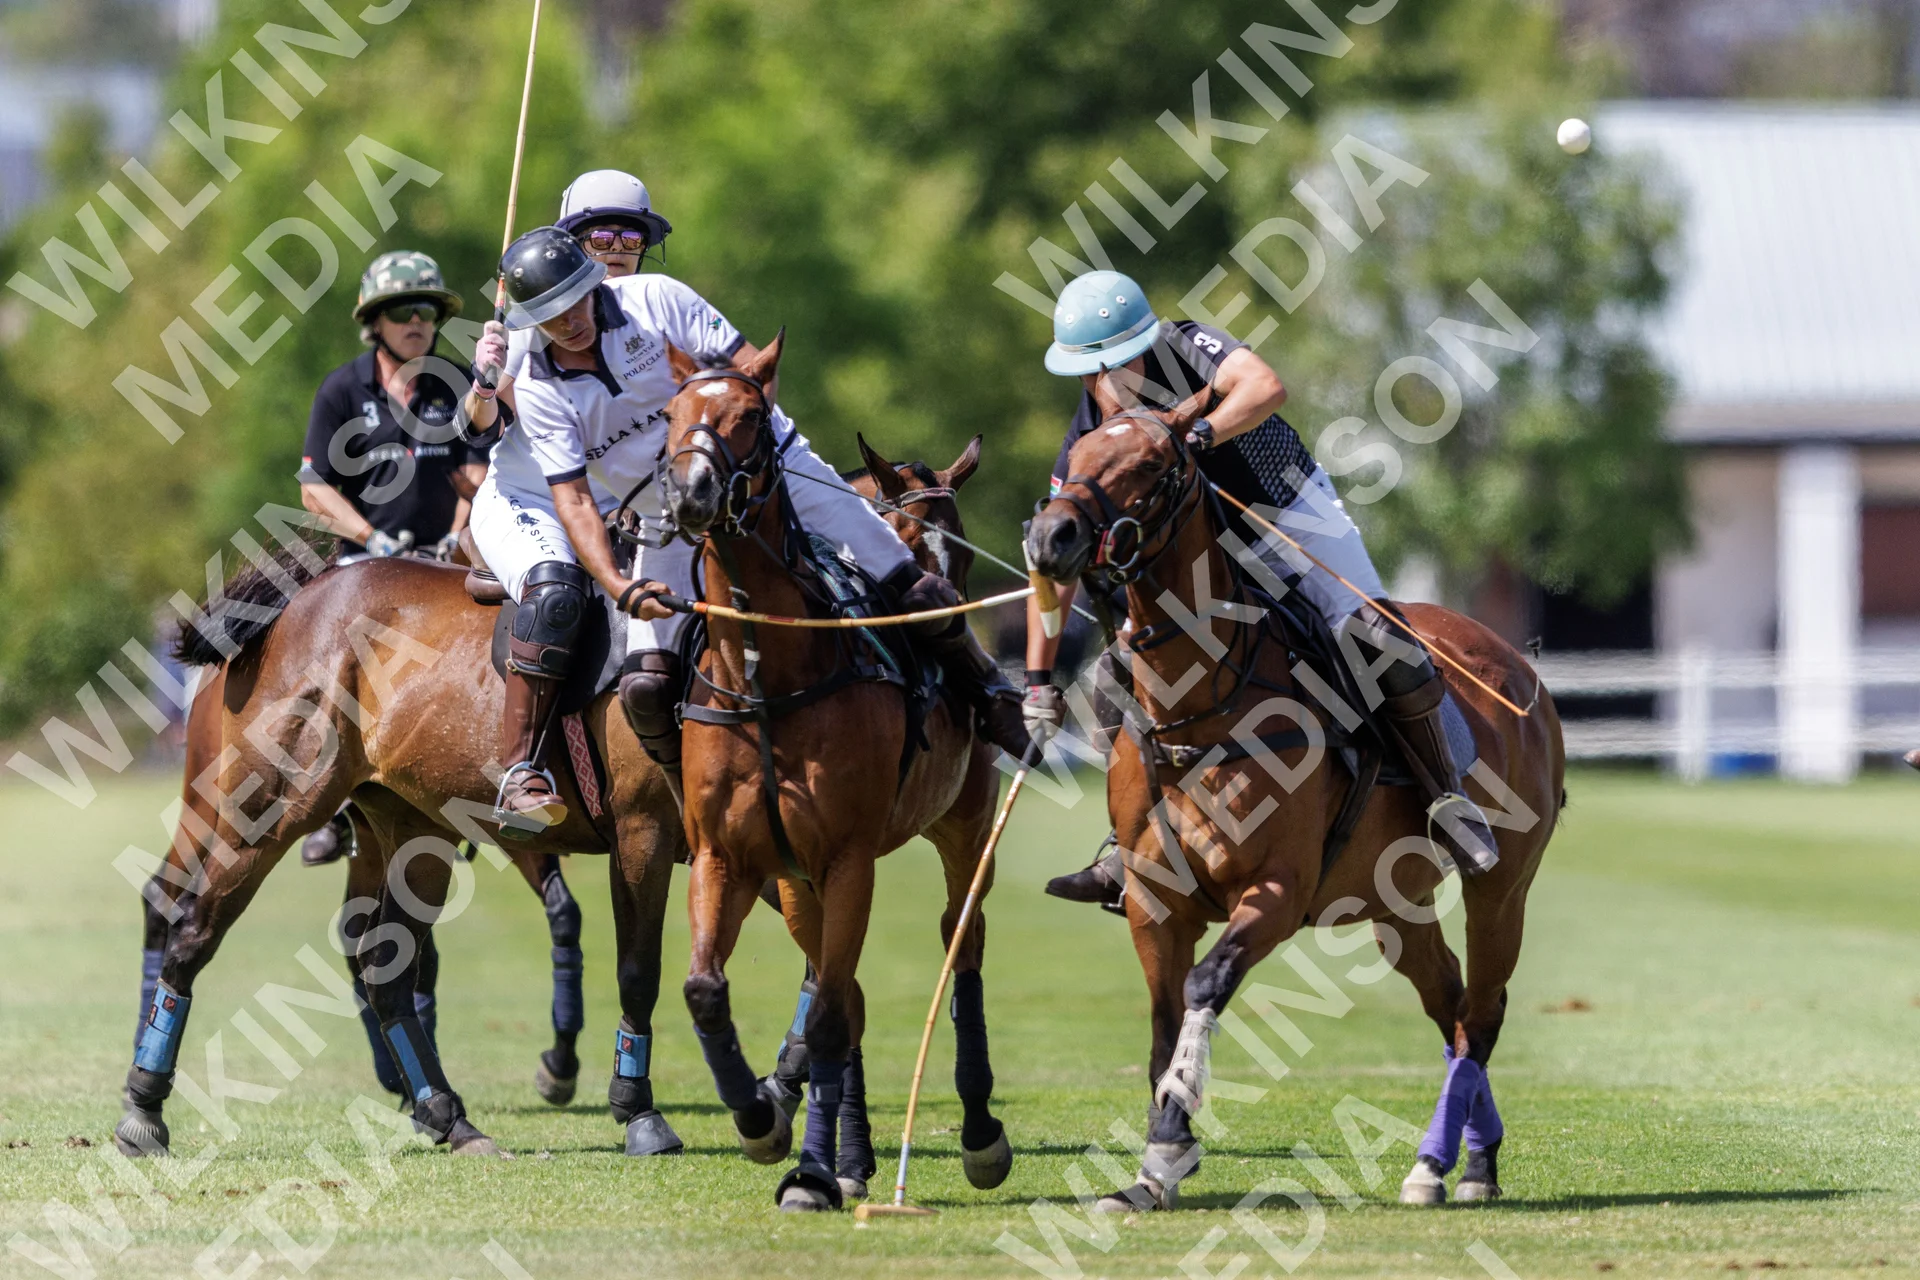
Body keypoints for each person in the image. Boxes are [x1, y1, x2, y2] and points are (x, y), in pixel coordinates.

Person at [466, 226, 1032, 832]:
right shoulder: (539, 386)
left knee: (911, 585)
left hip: (772, 471)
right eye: (549, 315)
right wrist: (618, 584)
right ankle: (692, 805)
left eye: (574, 302)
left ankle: (992, 694)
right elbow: (575, 500)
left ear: (592, 283)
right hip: (670, 514)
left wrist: (746, 467)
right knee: (645, 686)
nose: (568, 321)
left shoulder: (656, 300)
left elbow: (753, 369)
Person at [1021, 270, 1497, 911]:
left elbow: (1264, 386)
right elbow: (1051, 566)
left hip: (1288, 513)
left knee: (1374, 634)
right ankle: (1126, 844)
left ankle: (1448, 801)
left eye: (1108, 367)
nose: (1098, 386)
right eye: (1085, 373)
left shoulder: (1187, 345)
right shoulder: (1090, 437)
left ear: (1141, 349)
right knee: (1119, 674)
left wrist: (1200, 433)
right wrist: (1038, 683)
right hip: (1210, 550)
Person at [294, 250, 501, 866]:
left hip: (446, 566)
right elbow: (314, 488)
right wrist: (373, 539)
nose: (417, 322)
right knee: (329, 681)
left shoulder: (456, 383)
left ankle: (475, 786)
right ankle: (333, 804)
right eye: (403, 310)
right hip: (363, 571)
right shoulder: (342, 389)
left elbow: (477, 471)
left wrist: (455, 536)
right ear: (375, 321)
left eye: (427, 311)